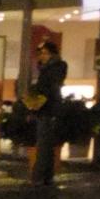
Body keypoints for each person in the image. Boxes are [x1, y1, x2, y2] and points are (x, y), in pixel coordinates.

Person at [29, 40, 67, 186]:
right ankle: (46, 176)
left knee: (44, 144)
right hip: (44, 107)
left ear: (52, 54)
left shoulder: (56, 67)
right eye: (41, 53)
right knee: (46, 144)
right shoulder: (45, 68)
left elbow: (49, 87)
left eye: (45, 53)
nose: (42, 56)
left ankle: (39, 176)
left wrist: (36, 97)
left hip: (48, 108)